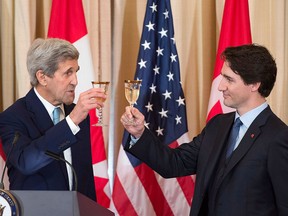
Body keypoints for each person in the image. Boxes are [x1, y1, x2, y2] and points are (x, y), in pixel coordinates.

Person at [120, 44, 288, 215]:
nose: (221, 86)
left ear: (254, 85)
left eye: (229, 80)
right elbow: (174, 163)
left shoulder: (279, 136)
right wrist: (139, 133)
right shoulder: (218, 125)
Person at [0, 38, 106, 201]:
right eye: (68, 73)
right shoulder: (13, 117)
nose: (75, 81)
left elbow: (85, 176)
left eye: (76, 71)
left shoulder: (78, 115)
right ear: (42, 77)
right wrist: (71, 123)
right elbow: (26, 162)